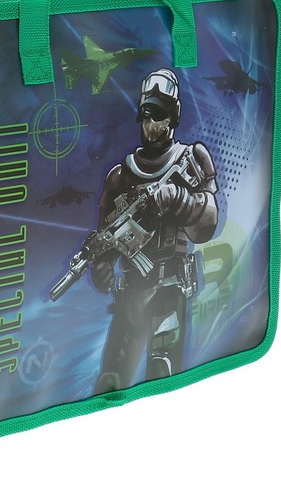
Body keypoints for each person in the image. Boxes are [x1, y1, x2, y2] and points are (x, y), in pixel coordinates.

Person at [91, 68, 218, 393]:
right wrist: (101, 267)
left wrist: (178, 199)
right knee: (110, 382)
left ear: (173, 116)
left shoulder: (191, 159)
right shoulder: (121, 176)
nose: (151, 125)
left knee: (163, 373)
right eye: (146, 116)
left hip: (169, 291)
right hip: (130, 294)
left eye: (158, 116)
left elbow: (207, 226)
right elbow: (106, 238)